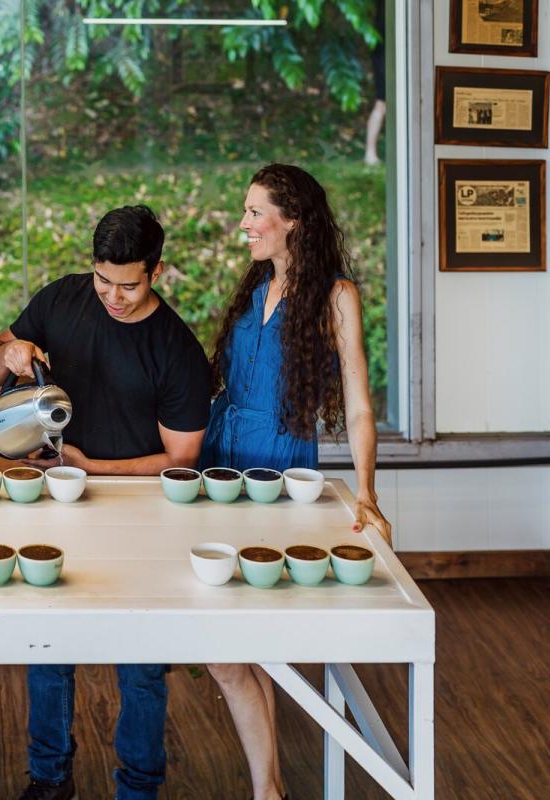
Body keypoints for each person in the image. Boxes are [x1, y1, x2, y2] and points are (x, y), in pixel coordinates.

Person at [0, 205, 211, 800]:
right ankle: (49, 778)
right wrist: (10, 351)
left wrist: (89, 467)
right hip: (58, 505)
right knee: (48, 646)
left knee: (141, 663)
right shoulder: (63, 299)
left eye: (128, 285)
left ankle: (139, 787)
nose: (113, 296)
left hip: (142, 517)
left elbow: (181, 458)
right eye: (104, 280)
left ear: (156, 271)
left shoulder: (176, 348)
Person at [202, 163, 392, 800]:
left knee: (244, 640)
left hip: (279, 468)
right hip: (219, 459)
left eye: (255, 212)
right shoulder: (255, 284)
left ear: (294, 221)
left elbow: (359, 404)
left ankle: (270, 787)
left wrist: (366, 491)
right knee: (234, 642)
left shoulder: (337, 296)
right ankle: (271, 788)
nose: (244, 224)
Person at [364, 0, 386, 165]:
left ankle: (370, 153)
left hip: (384, 55)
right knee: (381, 104)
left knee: (381, 105)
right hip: (384, 57)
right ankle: (369, 153)